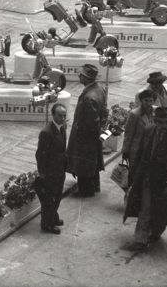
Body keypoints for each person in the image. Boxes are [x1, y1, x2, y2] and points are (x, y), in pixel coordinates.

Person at [123, 106, 167, 251]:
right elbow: (141, 153)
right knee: (144, 209)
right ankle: (140, 240)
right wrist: (135, 175)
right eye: (159, 122)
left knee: (160, 211)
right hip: (147, 178)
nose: (162, 126)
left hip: (164, 181)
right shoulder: (149, 130)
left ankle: (156, 231)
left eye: (165, 123)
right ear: (155, 121)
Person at [67, 63, 108, 196]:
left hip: (85, 137)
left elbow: (91, 121)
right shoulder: (99, 89)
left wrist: (82, 136)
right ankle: (94, 186)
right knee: (92, 162)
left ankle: (86, 191)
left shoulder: (89, 97)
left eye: (81, 75)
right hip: (94, 135)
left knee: (83, 163)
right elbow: (104, 112)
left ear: (86, 77)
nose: (79, 76)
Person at [36, 102, 68, 234]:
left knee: (57, 195)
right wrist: (42, 172)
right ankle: (47, 224)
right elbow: (40, 154)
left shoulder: (62, 127)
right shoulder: (46, 132)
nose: (63, 118)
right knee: (49, 199)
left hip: (60, 169)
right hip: (50, 172)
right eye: (60, 115)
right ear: (53, 115)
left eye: (64, 115)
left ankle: (53, 217)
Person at [121, 89, 156, 164]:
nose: (148, 103)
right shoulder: (134, 114)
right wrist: (125, 151)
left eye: (151, 101)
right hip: (137, 151)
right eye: (146, 100)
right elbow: (128, 134)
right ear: (141, 101)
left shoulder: (155, 113)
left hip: (151, 151)